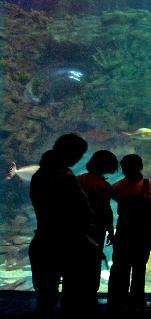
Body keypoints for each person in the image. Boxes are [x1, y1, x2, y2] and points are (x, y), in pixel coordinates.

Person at [29, 133, 98, 315]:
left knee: (46, 297)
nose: (78, 159)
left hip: (43, 240)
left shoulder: (39, 175)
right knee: (73, 298)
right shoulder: (66, 177)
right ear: (72, 154)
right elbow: (82, 210)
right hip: (68, 244)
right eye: (79, 155)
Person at [109, 154, 151, 311]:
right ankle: (137, 301)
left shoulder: (117, 186)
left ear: (123, 168)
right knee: (139, 267)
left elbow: (115, 200)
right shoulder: (149, 185)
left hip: (124, 230)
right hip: (144, 231)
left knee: (120, 266)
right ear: (140, 167)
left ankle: (118, 301)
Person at [76, 150, 119, 302]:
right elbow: (107, 212)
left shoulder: (77, 180)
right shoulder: (104, 186)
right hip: (95, 231)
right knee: (92, 265)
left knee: (76, 265)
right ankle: (89, 299)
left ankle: (74, 299)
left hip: (75, 229)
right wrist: (110, 232)